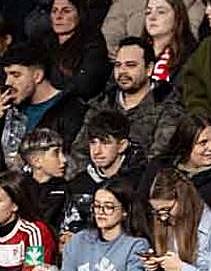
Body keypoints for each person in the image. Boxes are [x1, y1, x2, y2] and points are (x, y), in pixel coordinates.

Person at [69, 37, 182, 173]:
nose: (122, 71)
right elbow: (79, 153)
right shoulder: (101, 104)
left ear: (149, 69)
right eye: (118, 65)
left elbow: (158, 158)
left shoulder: (169, 106)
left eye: (131, 65)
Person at [0, 43, 86, 173]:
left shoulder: (71, 110)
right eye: (7, 75)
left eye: (16, 75)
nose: (8, 82)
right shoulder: (9, 107)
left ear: (37, 76)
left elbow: (70, 165)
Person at [36, 0, 111, 102]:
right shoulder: (43, 41)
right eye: (54, 11)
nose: (58, 16)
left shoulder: (93, 44)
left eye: (66, 11)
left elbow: (85, 86)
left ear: (80, 14)